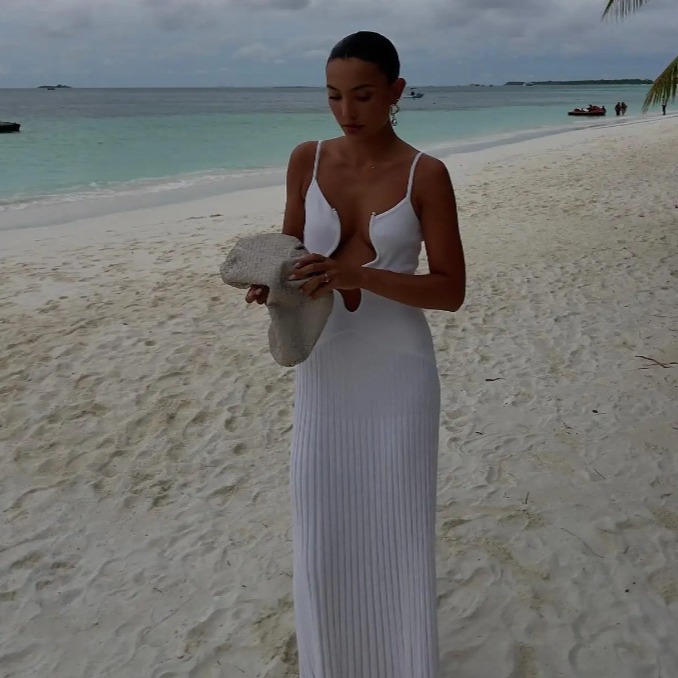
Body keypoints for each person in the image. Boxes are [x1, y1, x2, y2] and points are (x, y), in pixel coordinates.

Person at [246, 30, 465, 677]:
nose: (346, 111)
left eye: (363, 95)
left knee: (396, 529)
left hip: (398, 371)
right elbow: (288, 254)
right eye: (334, 96)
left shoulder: (427, 173)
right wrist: (272, 282)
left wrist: (360, 276)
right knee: (321, 525)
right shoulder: (306, 159)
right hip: (325, 368)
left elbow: (450, 290)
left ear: (397, 92)